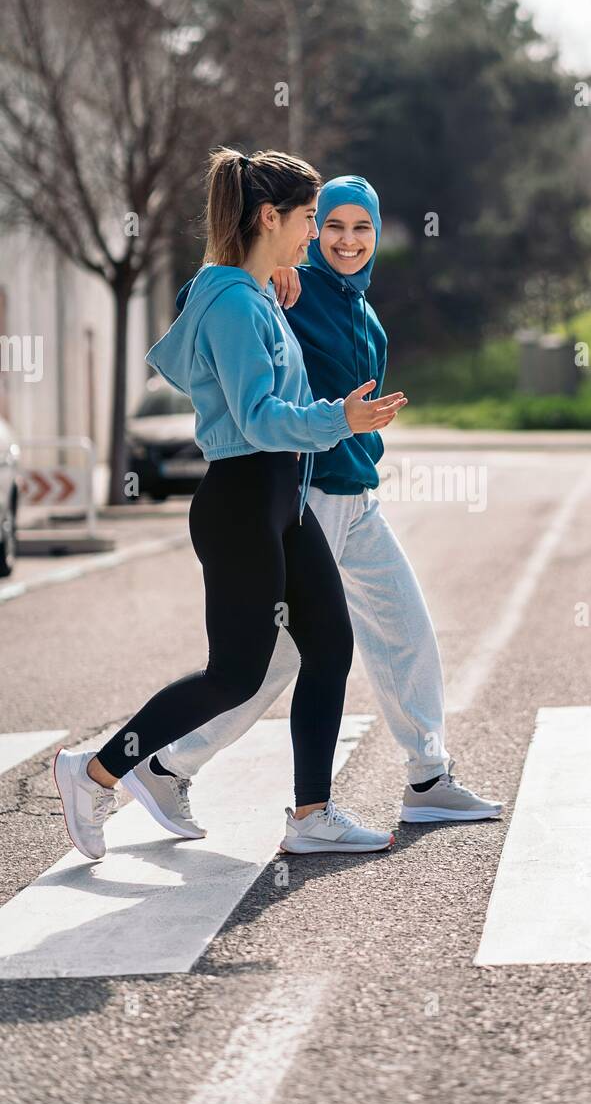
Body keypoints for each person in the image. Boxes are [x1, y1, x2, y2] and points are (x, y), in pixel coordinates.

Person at [54, 150, 407, 862]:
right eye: (310, 220)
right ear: (270, 218)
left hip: (284, 501)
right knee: (235, 674)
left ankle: (312, 814)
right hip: (243, 501)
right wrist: (342, 420)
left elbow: (262, 368)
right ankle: (94, 772)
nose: (314, 237)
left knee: (330, 645)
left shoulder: (249, 293)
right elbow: (257, 418)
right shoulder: (234, 303)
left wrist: (336, 411)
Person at [140, 175, 502, 835]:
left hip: (360, 498)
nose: (346, 240)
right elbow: (205, 294)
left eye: (361, 228)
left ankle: (427, 777)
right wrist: (270, 279)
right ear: (311, 230)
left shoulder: (368, 318)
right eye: (331, 225)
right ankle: (163, 766)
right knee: (280, 660)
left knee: (406, 629)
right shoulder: (286, 290)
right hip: (311, 498)